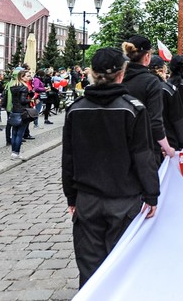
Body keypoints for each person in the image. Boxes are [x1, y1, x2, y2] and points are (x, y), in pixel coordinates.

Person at [62, 47, 160, 287]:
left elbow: (69, 158)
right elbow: (143, 156)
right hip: (124, 200)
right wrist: (152, 194)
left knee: (90, 269)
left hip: (88, 200)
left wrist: (71, 197)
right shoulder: (133, 109)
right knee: (123, 268)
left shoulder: (76, 109)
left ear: (92, 73)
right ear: (121, 73)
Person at [122, 35, 175, 159]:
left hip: (120, 145)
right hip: (145, 148)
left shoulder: (120, 78)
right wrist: (168, 148)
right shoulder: (151, 82)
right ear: (147, 57)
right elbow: (155, 122)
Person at [150, 55, 183, 151]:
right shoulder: (168, 89)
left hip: (146, 143)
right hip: (167, 140)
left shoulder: (141, 86)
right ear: (162, 69)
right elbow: (177, 118)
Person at [7, 69, 32, 160]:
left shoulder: (13, 87)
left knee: (14, 133)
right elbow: (23, 100)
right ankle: (16, 153)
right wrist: (31, 100)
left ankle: (13, 152)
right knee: (19, 134)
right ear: (22, 77)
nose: (29, 78)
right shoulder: (24, 87)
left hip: (14, 111)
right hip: (22, 112)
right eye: (27, 76)